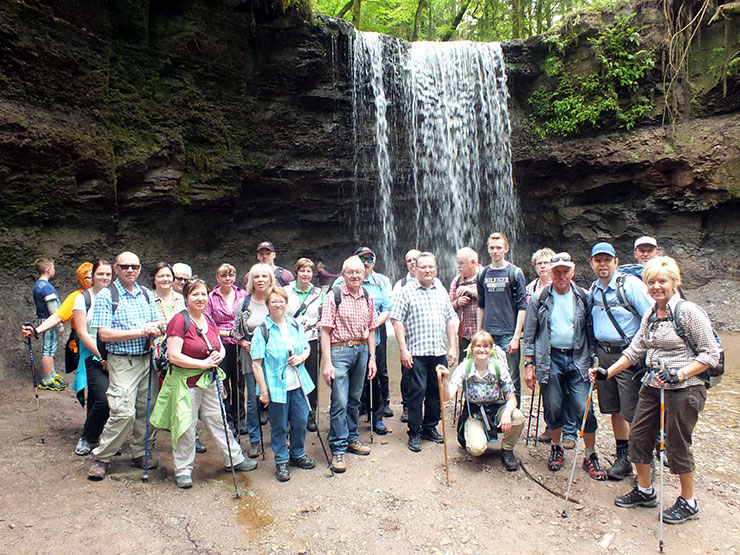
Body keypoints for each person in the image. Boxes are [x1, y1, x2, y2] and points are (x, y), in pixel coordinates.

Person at [592, 256, 719, 524]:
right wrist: (607, 372)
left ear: (675, 282)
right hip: (652, 384)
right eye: (651, 282)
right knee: (638, 436)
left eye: (662, 281)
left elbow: (711, 354)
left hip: (686, 388)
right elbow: (635, 349)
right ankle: (645, 490)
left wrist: (679, 372)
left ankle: (688, 501)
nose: (656, 286)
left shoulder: (688, 312)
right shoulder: (651, 313)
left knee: (677, 443)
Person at [150, 279, 256, 489]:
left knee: (219, 419)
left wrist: (218, 356)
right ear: (186, 298)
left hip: (208, 379)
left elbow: (217, 344)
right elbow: (174, 356)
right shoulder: (179, 321)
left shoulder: (207, 319)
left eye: (203, 294)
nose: (200, 299)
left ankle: (234, 459)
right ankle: (183, 470)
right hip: (185, 381)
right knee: (186, 426)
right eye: (195, 295)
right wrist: (202, 363)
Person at [522, 252, 607, 480]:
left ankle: (590, 454)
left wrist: (595, 362)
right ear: (550, 272)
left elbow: (592, 332)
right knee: (553, 406)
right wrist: (529, 365)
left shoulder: (583, 297)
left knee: (584, 407)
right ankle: (557, 447)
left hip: (579, 359)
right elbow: (529, 335)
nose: (561, 276)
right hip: (549, 360)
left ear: (573, 271)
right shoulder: (539, 298)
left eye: (565, 271)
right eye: (556, 271)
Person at [87, 251, 161, 480]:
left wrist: (155, 330)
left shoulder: (147, 295)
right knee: (123, 411)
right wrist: (140, 331)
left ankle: (141, 452)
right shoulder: (107, 296)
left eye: (135, 266)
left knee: (146, 410)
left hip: (147, 359)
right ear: (117, 269)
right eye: (125, 266)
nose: (130, 270)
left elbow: (156, 323)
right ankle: (102, 456)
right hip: (123, 361)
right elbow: (104, 333)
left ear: (140, 269)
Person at [589, 242, 653, 480]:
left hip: (628, 355)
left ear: (616, 261)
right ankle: (623, 457)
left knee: (633, 412)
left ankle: (645, 464)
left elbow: (650, 318)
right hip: (603, 355)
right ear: (592, 264)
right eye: (598, 260)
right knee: (614, 409)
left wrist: (642, 353)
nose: (602, 264)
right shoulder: (593, 290)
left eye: (607, 260)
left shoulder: (631, 285)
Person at [391, 252, 458, 453]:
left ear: (435, 267)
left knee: (435, 393)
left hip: (438, 351)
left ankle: (430, 427)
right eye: (423, 267)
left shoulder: (441, 290)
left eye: (431, 266)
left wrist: (453, 346)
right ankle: (414, 432)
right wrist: (403, 350)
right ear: (416, 269)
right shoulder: (407, 291)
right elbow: (397, 320)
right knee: (416, 393)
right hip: (416, 353)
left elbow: (450, 318)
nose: (427, 270)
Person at [319, 255, 378, 473]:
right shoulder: (333, 295)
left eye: (358, 272)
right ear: (342, 274)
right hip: (339, 350)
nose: (355, 275)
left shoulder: (367, 296)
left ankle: (353, 438)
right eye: (350, 272)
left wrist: (372, 357)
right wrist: (327, 363)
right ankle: (338, 447)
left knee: (355, 399)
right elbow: (324, 331)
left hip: (361, 350)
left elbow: (372, 329)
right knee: (340, 400)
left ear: (364, 274)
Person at [251, 287, 316, 482]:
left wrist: (301, 357)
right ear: (268, 305)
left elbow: (307, 347)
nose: (278, 305)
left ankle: (297, 453)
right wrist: (263, 391)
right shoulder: (262, 330)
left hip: (299, 383)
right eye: (274, 301)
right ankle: (281, 460)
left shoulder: (294, 324)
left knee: (301, 421)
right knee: (279, 426)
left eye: (281, 301)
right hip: (276, 387)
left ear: (286, 304)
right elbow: (256, 363)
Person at [438, 330, 523, 471]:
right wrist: (445, 380)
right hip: (474, 413)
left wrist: (507, 413)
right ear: (472, 348)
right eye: (478, 346)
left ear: (491, 349)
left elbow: (512, 399)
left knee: (518, 417)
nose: (482, 350)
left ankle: (507, 449)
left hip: (496, 409)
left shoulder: (498, 367)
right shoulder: (465, 367)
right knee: (477, 449)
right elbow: (447, 396)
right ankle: (471, 436)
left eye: (486, 346)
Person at [333, 247, 392, 434]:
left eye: (369, 259)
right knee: (350, 383)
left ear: (373, 261)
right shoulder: (339, 284)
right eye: (361, 259)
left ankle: (377, 417)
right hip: (348, 339)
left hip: (374, 333)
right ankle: (349, 422)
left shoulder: (380, 281)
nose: (365, 263)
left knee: (375, 376)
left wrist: (372, 325)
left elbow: (387, 307)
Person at [477, 232, 527, 409]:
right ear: (488, 249)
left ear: (506, 249)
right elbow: (480, 305)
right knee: (489, 376)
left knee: (511, 377)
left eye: (499, 247)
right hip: (489, 334)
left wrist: (516, 336)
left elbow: (522, 306)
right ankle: (493, 415)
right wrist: (479, 333)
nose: (495, 251)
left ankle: (513, 417)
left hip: (508, 334)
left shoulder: (515, 273)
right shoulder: (483, 274)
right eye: (492, 247)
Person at [233, 263, 275, 457]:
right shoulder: (243, 303)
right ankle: (255, 440)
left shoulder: (276, 300)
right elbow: (236, 332)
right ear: (251, 280)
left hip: (274, 356)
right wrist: (242, 343)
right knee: (252, 399)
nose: (260, 280)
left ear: (270, 279)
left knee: (276, 397)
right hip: (250, 356)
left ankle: (279, 436)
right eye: (256, 276)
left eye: (264, 276)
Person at [71, 260, 112, 456]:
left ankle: (102, 438)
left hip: (114, 354)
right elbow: (82, 332)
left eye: (108, 274)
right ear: (92, 275)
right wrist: (101, 356)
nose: (104, 277)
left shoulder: (115, 296)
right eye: (100, 274)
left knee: (101, 398)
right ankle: (87, 437)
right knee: (102, 398)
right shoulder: (83, 298)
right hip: (91, 354)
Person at [205, 263, 247, 435]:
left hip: (240, 344)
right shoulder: (210, 297)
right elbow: (207, 322)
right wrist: (226, 332)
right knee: (223, 384)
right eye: (224, 276)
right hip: (220, 345)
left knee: (239, 383)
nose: (228, 279)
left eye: (230, 275)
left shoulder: (242, 294)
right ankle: (227, 419)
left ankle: (240, 419)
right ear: (218, 278)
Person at [285, 258, 324, 431]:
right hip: (290, 340)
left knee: (311, 376)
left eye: (309, 271)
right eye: (303, 270)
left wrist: (320, 322)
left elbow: (323, 313)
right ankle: (290, 415)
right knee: (290, 375)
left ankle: (311, 413)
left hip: (312, 339)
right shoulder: (286, 291)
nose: (306, 274)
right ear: (296, 272)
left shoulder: (318, 293)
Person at [392, 249, 421, 424]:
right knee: (407, 374)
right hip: (408, 338)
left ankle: (427, 410)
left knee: (430, 377)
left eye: (415, 259)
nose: (412, 262)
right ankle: (407, 406)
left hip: (427, 337)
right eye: (409, 260)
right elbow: (395, 315)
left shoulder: (435, 283)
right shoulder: (400, 285)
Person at [30, 258, 67, 390]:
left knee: (50, 348)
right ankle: (47, 379)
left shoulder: (38, 285)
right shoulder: (47, 287)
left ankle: (52, 374)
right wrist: (59, 325)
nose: (54, 271)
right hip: (49, 321)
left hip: (43, 319)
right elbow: (53, 309)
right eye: (53, 268)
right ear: (48, 270)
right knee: (49, 350)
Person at [449, 247, 481, 355]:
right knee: (465, 369)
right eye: (457, 263)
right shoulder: (457, 281)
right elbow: (448, 308)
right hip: (464, 335)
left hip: (485, 334)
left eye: (461, 263)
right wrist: (458, 302)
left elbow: (493, 302)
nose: (458, 266)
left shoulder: (486, 276)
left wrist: (472, 292)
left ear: (473, 262)